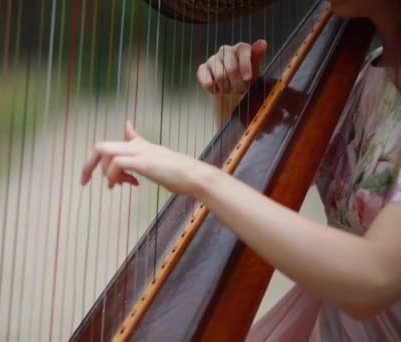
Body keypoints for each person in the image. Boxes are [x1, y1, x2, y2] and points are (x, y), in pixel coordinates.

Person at [80, 0, 401, 340]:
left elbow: (373, 278)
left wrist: (201, 178)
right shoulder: (367, 72)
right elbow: (277, 179)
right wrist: (235, 102)